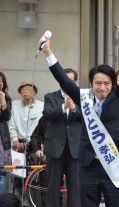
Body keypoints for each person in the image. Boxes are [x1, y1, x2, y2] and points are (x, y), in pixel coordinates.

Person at [41, 34, 119, 207]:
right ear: (91, 83)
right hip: (88, 166)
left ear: (112, 84)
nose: (102, 87)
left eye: (107, 83)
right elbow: (63, 80)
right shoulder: (84, 98)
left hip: (113, 164)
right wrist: (48, 52)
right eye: (98, 83)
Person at [42, 68, 82, 207]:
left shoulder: (82, 97)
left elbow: (88, 117)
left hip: (75, 148)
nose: (66, 83)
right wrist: (64, 107)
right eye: (64, 80)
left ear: (75, 82)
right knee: (53, 186)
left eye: (70, 81)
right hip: (55, 147)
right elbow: (47, 114)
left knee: (76, 187)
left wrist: (74, 109)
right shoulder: (50, 97)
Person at [8, 80, 44, 206]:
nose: (26, 91)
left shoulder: (41, 106)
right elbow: (11, 124)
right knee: (16, 175)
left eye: (29, 88)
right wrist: (15, 139)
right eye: (24, 89)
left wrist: (29, 143)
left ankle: (32, 203)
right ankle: (17, 202)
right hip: (18, 145)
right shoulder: (14, 105)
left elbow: (40, 128)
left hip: (34, 146)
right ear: (20, 92)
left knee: (34, 176)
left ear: (34, 92)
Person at [0, 71, 12, 193]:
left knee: (1, 175)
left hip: (1, 140)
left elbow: (6, 117)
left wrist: (3, 102)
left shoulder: (7, 98)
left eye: (0, 82)